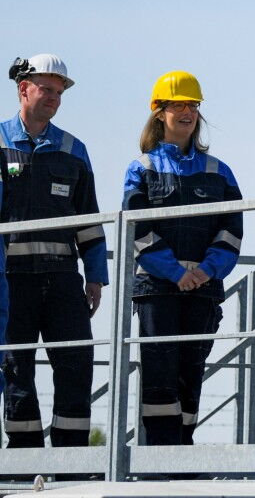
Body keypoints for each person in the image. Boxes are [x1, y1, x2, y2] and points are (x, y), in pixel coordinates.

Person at [122, 70, 242, 445]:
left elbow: (231, 230)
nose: (187, 112)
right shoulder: (141, 168)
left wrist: (206, 271)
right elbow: (137, 229)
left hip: (202, 290)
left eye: (192, 106)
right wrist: (175, 273)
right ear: (159, 112)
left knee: (192, 371)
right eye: (178, 105)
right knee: (159, 372)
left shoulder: (219, 172)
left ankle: (183, 452)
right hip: (157, 288)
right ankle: (157, 453)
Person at [0, 54, 107, 448]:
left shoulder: (73, 149)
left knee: (76, 363)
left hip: (63, 279)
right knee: (16, 368)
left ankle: (72, 458)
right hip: (10, 280)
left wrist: (95, 276)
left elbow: (89, 219)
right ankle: (25, 456)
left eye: (59, 92)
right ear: (22, 88)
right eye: (47, 89)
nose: (54, 98)